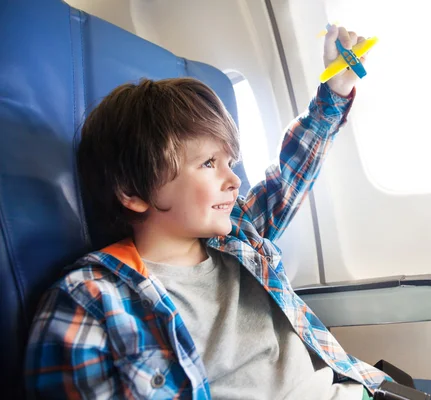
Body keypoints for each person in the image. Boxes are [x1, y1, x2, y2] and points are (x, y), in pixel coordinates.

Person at [24, 24, 390, 399]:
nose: (233, 179)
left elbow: (289, 177)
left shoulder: (237, 236)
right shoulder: (90, 299)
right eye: (208, 163)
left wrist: (335, 91)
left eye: (230, 161)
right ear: (133, 191)